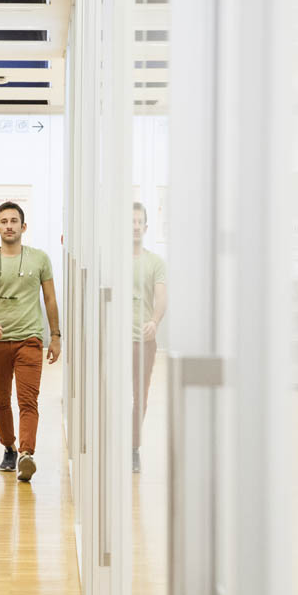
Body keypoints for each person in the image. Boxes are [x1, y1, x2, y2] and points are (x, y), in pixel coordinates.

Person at [0, 201, 61, 482]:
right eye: (4, 221)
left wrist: (56, 335)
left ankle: (26, 454)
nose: (9, 225)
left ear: (23, 227)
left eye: (14, 221)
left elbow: (49, 299)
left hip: (30, 338)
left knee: (28, 400)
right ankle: (9, 447)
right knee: (0, 400)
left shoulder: (40, 259)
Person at [132, 202, 167, 474]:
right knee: (112, 394)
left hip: (143, 341)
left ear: (145, 227)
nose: (134, 226)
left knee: (139, 397)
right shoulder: (112, 259)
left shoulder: (155, 262)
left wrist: (154, 322)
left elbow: (161, 296)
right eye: (130, 221)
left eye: (139, 222)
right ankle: (112, 442)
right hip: (115, 341)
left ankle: (133, 447)